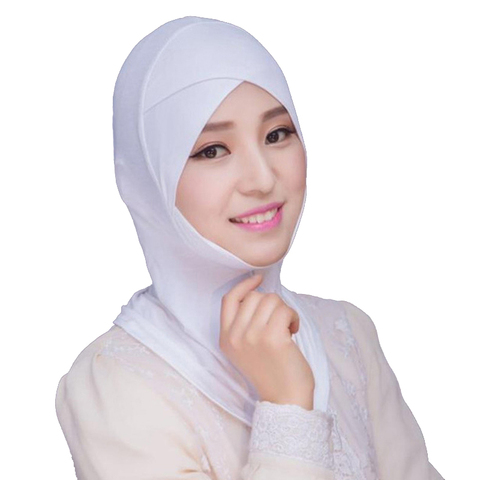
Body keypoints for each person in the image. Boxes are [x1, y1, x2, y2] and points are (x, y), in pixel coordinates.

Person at [55, 15, 444, 480]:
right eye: (212, 150)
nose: (262, 179)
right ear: (147, 181)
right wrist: (288, 405)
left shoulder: (347, 334)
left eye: (277, 134)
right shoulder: (114, 383)